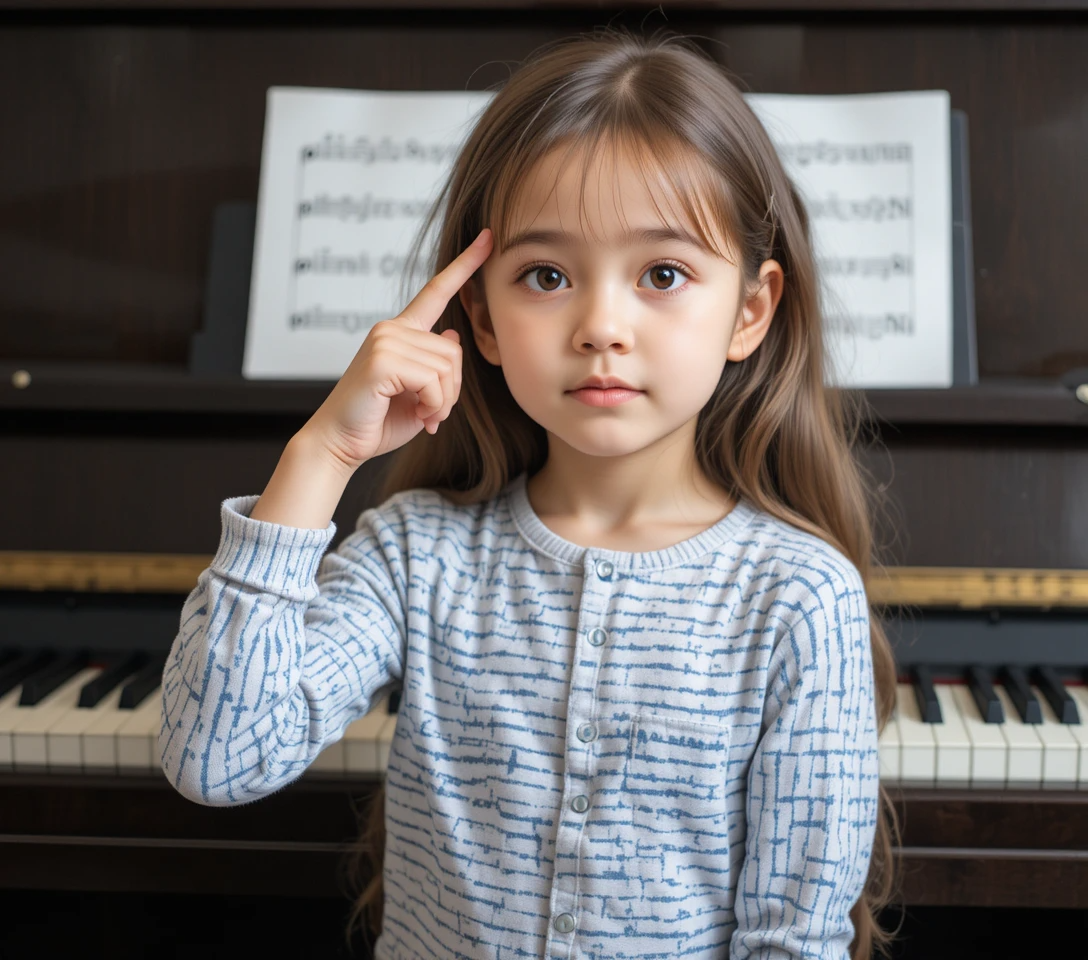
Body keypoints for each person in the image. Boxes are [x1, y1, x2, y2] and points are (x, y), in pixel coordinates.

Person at [159, 27, 900, 960]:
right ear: (484, 318)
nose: (600, 326)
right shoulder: (415, 553)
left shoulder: (799, 596)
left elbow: (792, 941)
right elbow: (215, 760)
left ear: (750, 309)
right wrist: (321, 455)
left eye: (662, 274)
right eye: (546, 276)